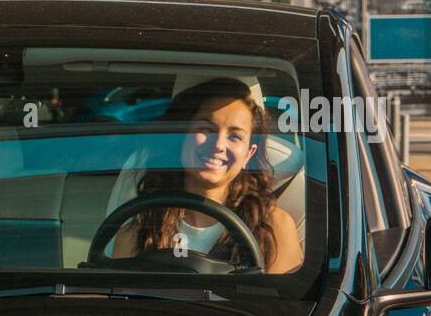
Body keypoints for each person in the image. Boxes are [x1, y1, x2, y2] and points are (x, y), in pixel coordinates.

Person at [110, 77, 303, 273]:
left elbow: (283, 303)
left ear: (249, 154)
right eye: (206, 129)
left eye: (234, 136)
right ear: (182, 137)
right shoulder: (136, 233)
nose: (218, 145)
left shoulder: (274, 229)